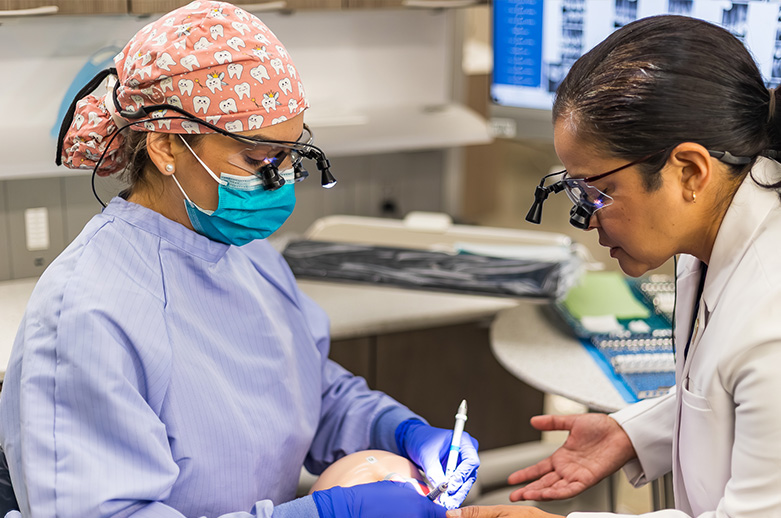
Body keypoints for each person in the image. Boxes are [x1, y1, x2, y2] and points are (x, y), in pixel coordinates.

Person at [0, 3, 480, 517]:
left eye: (292, 155)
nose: (282, 179)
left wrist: (397, 429)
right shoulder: (86, 315)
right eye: (257, 161)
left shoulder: (249, 257)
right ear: (165, 145)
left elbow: (307, 389)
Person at [446, 14, 781, 518]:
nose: (582, 218)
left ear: (689, 171)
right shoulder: (718, 228)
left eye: (597, 192)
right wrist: (634, 431)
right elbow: (730, 392)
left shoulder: (770, 316)